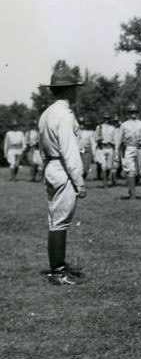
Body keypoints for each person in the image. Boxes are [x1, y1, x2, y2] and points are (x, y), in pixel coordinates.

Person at [37, 65, 86, 285]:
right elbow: (70, 151)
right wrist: (79, 182)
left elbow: (41, 146)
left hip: (51, 166)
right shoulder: (65, 115)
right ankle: (57, 271)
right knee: (60, 222)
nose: (76, 92)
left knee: (56, 220)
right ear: (68, 90)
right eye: (74, 88)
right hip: (63, 168)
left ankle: (59, 266)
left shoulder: (46, 113)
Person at [118, 103, 141, 199]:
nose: (133, 114)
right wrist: (116, 153)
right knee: (130, 170)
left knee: (139, 171)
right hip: (128, 148)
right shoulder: (124, 124)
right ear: (128, 113)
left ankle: (131, 188)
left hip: (139, 148)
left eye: (135, 112)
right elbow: (119, 139)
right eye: (131, 112)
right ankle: (133, 194)